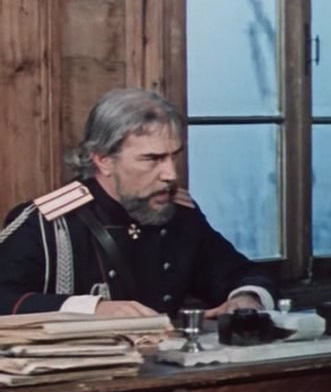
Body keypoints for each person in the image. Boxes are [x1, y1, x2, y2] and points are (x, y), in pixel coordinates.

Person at [0, 88, 275, 318]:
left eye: (173, 156)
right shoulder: (47, 225)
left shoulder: (179, 215)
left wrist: (246, 299)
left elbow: (242, 274)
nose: (171, 174)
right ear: (103, 160)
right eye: (152, 159)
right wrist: (92, 309)